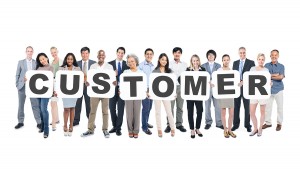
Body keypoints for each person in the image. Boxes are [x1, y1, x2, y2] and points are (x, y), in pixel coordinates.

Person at [81, 50, 114, 138]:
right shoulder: (92, 66)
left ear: (105, 56)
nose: (101, 56)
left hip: (105, 93)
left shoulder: (109, 67)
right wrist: (87, 82)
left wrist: (114, 82)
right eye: (99, 54)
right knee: (92, 111)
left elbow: (112, 79)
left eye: (103, 55)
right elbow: (89, 79)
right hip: (94, 92)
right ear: (97, 56)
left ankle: (105, 129)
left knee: (105, 111)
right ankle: (90, 129)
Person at [15, 46, 42, 130]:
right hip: (22, 86)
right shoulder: (21, 62)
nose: (29, 53)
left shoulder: (36, 63)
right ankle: (20, 122)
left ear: (32, 52)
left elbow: (38, 74)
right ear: (26, 52)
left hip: (33, 87)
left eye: (31, 51)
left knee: (35, 104)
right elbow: (17, 74)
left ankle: (39, 122)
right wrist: (17, 84)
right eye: (28, 51)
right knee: (21, 105)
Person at [232, 47, 255, 132]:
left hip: (246, 88)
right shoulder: (235, 63)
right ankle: (235, 125)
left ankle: (247, 125)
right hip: (237, 88)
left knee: (247, 108)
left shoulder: (251, 62)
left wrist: (244, 81)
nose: (242, 54)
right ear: (238, 53)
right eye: (241, 53)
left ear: (246, 53)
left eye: (244, 53)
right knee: (236, 107)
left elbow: (252, 76)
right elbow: (233, 75)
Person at [152, 53, 175, 137]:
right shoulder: (155, 71)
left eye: (166, 60)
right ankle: (159, 129)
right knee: (157, 112)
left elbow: (173, 83)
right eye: (162, 59)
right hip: (157, 94)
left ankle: (172, 128)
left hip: (167, 94)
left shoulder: (170, 71)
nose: (164, 61)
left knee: (169, 112)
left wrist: (173, 93)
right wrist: (150, 92)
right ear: (159, 60)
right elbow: (152, 83)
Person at [58, 53, 81, 136]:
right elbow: (58, 79)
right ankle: (65, 125)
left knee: (72, 108)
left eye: (71, 59)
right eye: (68, 59)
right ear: (66, 59)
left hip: (74, 92)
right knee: (66, 109)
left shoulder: (77, 69)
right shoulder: (61, 68)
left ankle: (71, 125)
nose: (70, 60)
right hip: (65, 91)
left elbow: (80, 79)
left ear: (73, 60)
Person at [108, 47, 129, 136]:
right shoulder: (109, 64)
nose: (120, 54)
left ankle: (118, 128)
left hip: (123, 89)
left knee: (120, 109)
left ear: (124, 54)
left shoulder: (127, 64)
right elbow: (106, 77)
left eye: (122, 53)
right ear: (116, 53)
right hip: (112, 89)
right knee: (112, 108)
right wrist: (113, 74)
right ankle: (114, 126)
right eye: (119, 52)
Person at [165, 47, 187, 133]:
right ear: (173, 54)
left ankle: (179, 124)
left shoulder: (185, 64)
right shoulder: (169, 64)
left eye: (179, 52)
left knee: (180, 107)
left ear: (181, 54)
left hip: (182, 87)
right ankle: (169, 125)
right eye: (175, 52)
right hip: (171, 87)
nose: (177, 54)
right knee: (170, 107)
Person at [214, 54, 237, 138]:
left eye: (227, 60)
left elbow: (234, 82)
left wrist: (239, 84)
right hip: (222, 94)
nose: (226, 61)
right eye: (224, 60)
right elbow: (216, 81)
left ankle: (230, 130)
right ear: (222, 61)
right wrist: (212, 84)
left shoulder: (232, 70)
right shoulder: (219, 70)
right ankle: (225, 130)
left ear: (229, 60)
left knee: (231, 114)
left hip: (230, 94)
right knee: (223, 113)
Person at [263, 49, 285, 131]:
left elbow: (281, 77)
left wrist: (269, 76)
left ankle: (279, 123)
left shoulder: (281, 66)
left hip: (279, 89)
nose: (274, 56)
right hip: (268, 90)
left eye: (275, 55)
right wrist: (275, 75)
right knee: (267, 107)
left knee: (280, 107)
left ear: (278, 56)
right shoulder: (266, 65)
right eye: (272, 55)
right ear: (270, 56)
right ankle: (268, 123)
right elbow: (264, 76)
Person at [74, 47, 96, 126]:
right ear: (81, 54)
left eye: (86, 53)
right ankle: (76, 120)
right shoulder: (76, 63)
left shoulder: (94, 63)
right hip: (78, 86)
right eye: (83, 53)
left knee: (89, 105)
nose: (85, 55)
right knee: (77, 104)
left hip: (89, 87)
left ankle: (91, 122)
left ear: (89, 54)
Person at [249, 53, 269, 137]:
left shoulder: (266, 70)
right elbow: (249, 79)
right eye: (259, 59)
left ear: (264, 60)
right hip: (253, 93)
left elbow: (267, 81)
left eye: (262, 59)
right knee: (252, 112)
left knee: (262, 112)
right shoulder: (252, 69)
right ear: (257, 60)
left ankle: (260, 128)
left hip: (262, 94)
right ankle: (255, 128)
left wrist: (270, 83)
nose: (261, 61)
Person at [201, 49, 223, 130]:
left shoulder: (218, 66)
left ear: (215, 56)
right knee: (207, 106)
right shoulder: (203, 66)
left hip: (216, 88)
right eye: (209, 55)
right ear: (207, 56)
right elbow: (201, 76)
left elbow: (220, 77)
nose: (210, 56)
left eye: (212, 55)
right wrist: (208, 82)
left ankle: (219, 123)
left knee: (217, 106)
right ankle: (208, 122)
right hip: (206, 88)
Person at [123, 54, 142, 138]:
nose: (131, 63)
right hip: (128, 95)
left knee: (137, 113)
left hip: (138, 95)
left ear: (136, 62)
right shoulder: (126, 72)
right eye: (129, 62)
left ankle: (136, 130)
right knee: (129, 113)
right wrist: (121, 90)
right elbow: (122, 83)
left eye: (132, 61)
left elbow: (143, 84)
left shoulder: (140, 72)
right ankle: (130, 130)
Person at [186, 55, 205, 138]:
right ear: (191, 62)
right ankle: (192, 129)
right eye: (194, 61)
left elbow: (206, 80)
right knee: (190, 112)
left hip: (199, 95)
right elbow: (182, 79)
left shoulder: (203, 70)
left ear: (199, 61)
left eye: (197, 60)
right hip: (190, 95)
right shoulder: (188, 70)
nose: (195, 62)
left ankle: (197, 128)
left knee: (200, 111)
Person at [35, 53, 54, 138]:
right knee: (40, 109)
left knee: (43, 109)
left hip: (46, 92)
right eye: (40, 60)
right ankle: (42, 127)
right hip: (38, 91)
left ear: (46, 58)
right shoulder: (38, 68)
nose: (42, 61)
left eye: (43, 58)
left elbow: (52, 80)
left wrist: (53, 91)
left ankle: (46, 130)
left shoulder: (51, 68)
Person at [138, 48, 155, 135]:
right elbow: (139, 79)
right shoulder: (140, 66)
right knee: (145, 109)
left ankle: (146, 122)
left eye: (150, 54)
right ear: (145, 55)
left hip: (153, 90)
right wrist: (144, 90)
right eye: (147, 54)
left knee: (149, 108)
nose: (149, 55)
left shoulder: (153, 66)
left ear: (152, 55)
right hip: (145, 89)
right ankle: (144, 127)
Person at [49, 47, 63, 131]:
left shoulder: (62, 61)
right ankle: (57, 119)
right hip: (51, 83)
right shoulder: (51, 62)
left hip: (58, 84)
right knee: (53, 103)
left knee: (53, 103)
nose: (53, 54)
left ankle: (54, 122)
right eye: (52, 53)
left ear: (57, 51)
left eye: (55, 52)